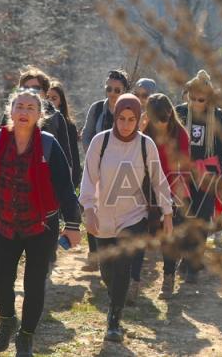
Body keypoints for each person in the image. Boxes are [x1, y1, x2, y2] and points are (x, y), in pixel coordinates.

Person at [0, 88, 81, 357]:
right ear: (10, 111)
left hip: (42, 225)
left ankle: (26, 336)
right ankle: (7, 320)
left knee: (34, 284)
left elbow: (65, 188)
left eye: (31, 108)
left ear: (40, 115)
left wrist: (73, 224)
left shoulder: (50, 144)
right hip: (4, 223)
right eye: (20, 106)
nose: (24, 112)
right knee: (1, 282)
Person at [79, 93, 173, 342]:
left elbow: (158, 180)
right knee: (107, 272)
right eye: (121, 118)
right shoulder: (100, 143)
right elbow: (88, 178)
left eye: (132, 119)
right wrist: (88, 209)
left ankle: (114, 321)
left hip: (134, 217)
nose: (126, 124)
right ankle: (116, 298)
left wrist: (169, 214)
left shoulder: (145, 145)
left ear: (139, 119)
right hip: (103, 217)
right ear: (115, 117)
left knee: (122, 266)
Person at [175, 70, 222, 282]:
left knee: (202, 218)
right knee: (183, 217)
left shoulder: (217, 116)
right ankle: (186, 256)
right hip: (183, 171)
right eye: (192, 98)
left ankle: (193, 265)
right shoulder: (179, 112)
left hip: (208, 173)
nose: (196, 102)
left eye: (201, 99)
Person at [139, 93, 191, 300]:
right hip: (147, 189)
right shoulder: (143, 133)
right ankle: (135, 279)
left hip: (173, 188)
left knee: (169, 236)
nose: (161, 123)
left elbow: (185, 168)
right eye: (156, 119)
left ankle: (168, 278)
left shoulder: (180, 134)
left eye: (165, 118)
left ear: (171, 114)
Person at [80, 68, 129, 268]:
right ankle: (94, 253)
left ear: (125, 89)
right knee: (93, 208)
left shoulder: (129, 109)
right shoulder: (97, 108)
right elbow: (87, 134)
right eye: (109, 88)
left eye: (117, 89)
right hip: (98, 167)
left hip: (123, 170)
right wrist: (93, 157)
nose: (112, 93)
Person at [47, 81, 82, 189]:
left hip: (62, 179)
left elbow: (74, 157)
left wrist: (74, 181)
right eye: (47, 97)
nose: (50, 102)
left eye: (54, 98)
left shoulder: (69, 126)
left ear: (60, 101)